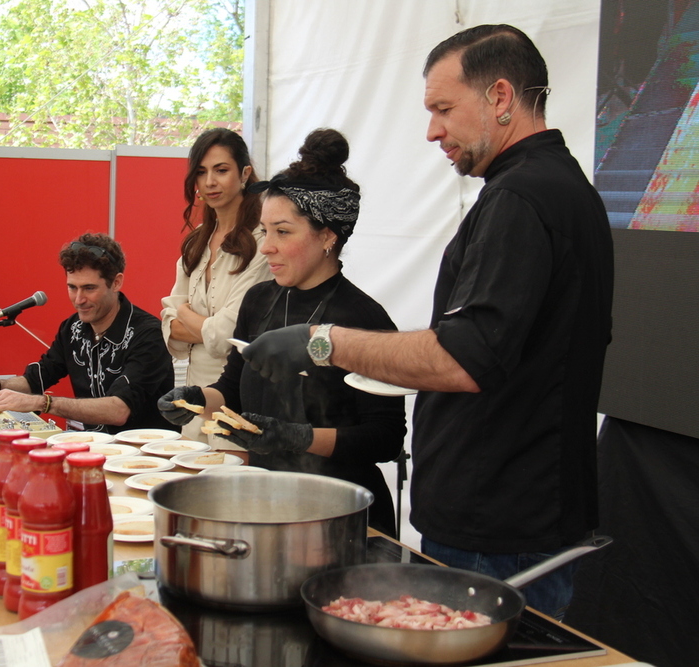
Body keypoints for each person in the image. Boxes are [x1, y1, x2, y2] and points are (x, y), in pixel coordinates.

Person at [239, 26, 614, 620]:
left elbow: (464, 356)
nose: (432, 130)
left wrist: (326, 342)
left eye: (443, 109)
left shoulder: (522, 197)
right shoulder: (560, 190)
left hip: (499, 523)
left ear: (499, 97)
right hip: (513, 512)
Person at [159, 129, 407, 538]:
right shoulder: (259, 301)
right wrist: (197, 399)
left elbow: (383, 438)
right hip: (269, 503)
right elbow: (232, 387)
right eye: (265, 230)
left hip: (342, 515)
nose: (267, 246)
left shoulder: (364, 319)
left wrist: (298, 437)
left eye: (283, 232)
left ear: (328, 236)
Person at [0, 233, 176, 434]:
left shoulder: (148, 334)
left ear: (116, 282)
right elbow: (36, 378)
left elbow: (118, 410)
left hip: (146, 458)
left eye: (89, 288)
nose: (79, 300)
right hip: (95, 452)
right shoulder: (72, 328)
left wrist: (43, 404)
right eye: (72, 287)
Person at [160, 128, 272, 441]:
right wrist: (198, 324)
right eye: (201, 172)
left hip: (237, 405)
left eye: (221, 170)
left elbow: (227, 337)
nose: (210, 182)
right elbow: (170, 329)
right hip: (192, 407)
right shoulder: (197, 241)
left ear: (245, 173)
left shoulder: (263, 244)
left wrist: (184, 314)